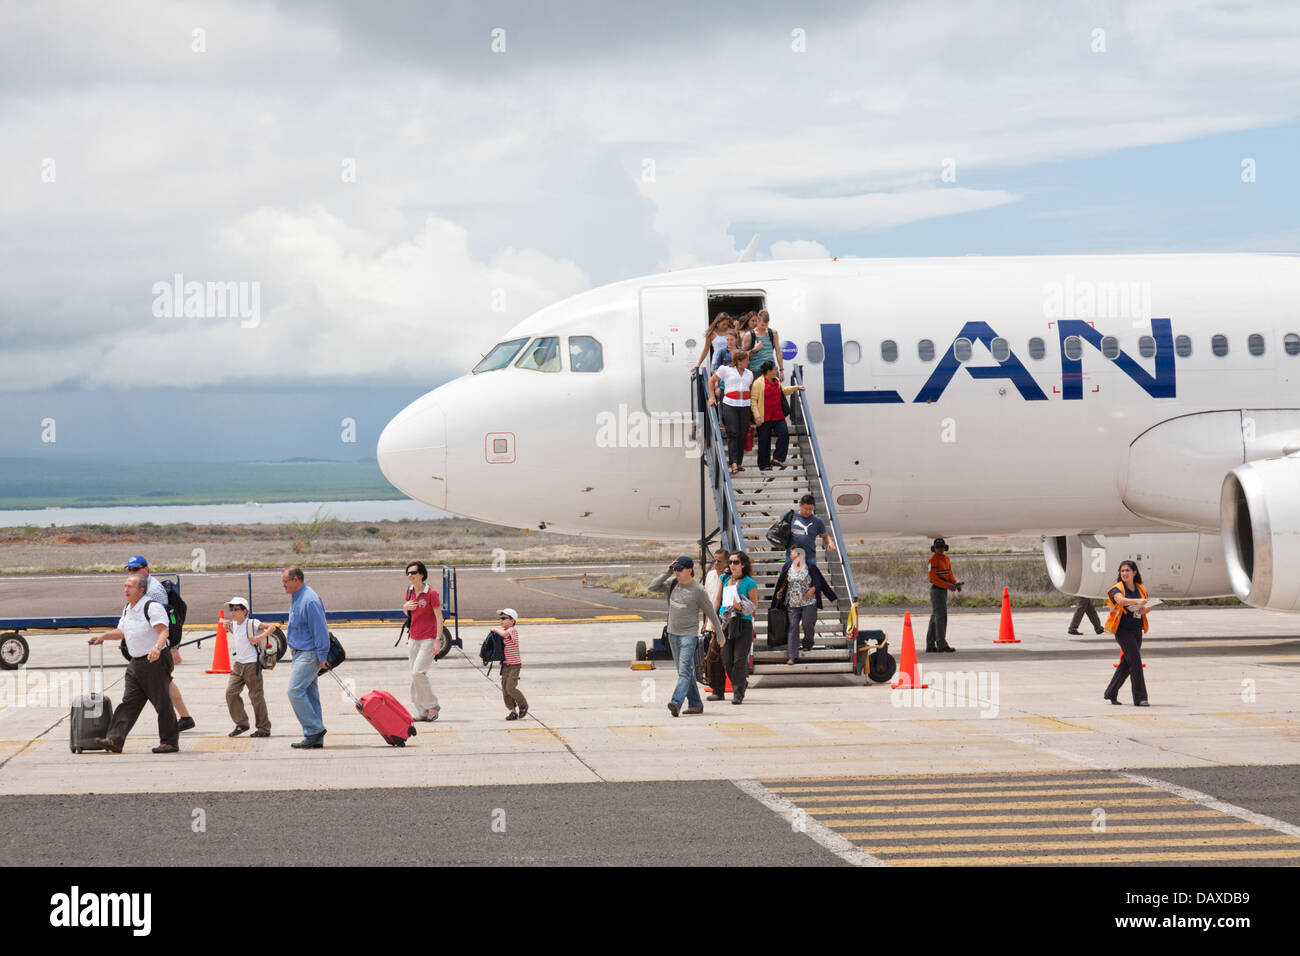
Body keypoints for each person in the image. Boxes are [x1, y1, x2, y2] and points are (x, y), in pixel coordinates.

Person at [89, 574, 179, 753]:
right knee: (129, 702)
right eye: (125, 586)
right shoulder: (128, 609)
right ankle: (114, 739)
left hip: (155, 660)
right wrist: (103, 636)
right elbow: (121, 631)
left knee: (161, 702)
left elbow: (164, 631)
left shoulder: (152, 607)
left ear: (141, 590)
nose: (125, 590)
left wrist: (157, 648)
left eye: (130, 586)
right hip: (136, 662)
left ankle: (170, 742)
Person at [649, 556, 727, 716]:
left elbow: (711, 613)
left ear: (689, 570)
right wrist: (667, 572)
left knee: (684, 670)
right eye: (675, 569)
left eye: (679, 569)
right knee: (685, 672)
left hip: (688, 637)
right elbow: (652, 587)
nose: (676, 572)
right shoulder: (672, 584)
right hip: (672, 635)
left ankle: (676, 702)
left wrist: (720, 634)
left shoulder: (698, 590)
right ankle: (696, 704)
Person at [125, 555, 195, 732]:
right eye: (130, 570)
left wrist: (170, 646)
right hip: (152, 645)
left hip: (156, 646)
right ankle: (185, 718)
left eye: (136, 569)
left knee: (160, 685)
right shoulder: (142, 588)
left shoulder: (153, 591)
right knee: (165, 682)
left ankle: (173, 725)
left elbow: (163, 622)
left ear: (146, 569)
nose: (132, 572)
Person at [283, 566, 331, 748]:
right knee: (310, 695)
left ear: (297, 580)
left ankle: (314, 729)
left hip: (310, 654)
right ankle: (315, 739)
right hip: (300, 652)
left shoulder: (309, 600)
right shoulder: (298, 597)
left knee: (294, 691)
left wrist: (322, 655)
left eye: (285, 581)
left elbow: (320, 630)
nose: (283, 585)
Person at [773, 547, 837, 664]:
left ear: (800, 555)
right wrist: (780, 591)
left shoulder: (810, 566)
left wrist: (812, 589)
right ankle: (792, 655)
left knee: (808, 623)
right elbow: (783, 580)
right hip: (792, 602)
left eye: (792, 554)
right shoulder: (788, 566)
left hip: (809, 602)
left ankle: (808, 643)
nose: (790, 555)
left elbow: (818, 581)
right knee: (793, 626)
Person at [223, 596, 274, 738]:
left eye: (236, 609)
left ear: (245, 611)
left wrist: (259, 638)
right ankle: (242, 723)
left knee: (256, 696)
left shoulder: (252, 623)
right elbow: (240, 638)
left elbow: (272, 627)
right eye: (231, 609)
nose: (232, 612)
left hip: (252, 665)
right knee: (230, 693)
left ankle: (264, 727)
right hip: (239, 665)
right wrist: (228, 627)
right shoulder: (234, 624)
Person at [1103, 560, 1150, 706]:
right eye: (1122, 571)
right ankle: (1140, 698)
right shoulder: (1117, 588)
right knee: (1135, 662)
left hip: (1137, 629)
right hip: (1122, 630)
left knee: (1125, 664)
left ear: (1134, 572)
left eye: (1127, 571)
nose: (1124, 573)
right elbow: (1121, 601)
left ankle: (1110, 692)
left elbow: (1147, 606)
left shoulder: (1140, 588)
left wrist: (1144, 609)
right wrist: (1138, 601)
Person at [715, 551, 758, 704]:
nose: (731, 565)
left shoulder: (749, 583)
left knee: (739, 659)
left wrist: (739, 606)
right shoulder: (724, 578)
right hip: (725, 623)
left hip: (742, 623)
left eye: (735, 562)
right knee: (727, 660)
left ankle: (737, 693)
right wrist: (713, 618)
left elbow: (754, 605)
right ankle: (741, 683)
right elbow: (718, 598)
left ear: (743, 565)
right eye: (730, 562)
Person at [403, 560, 443, 722]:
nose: (410, 575)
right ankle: (421, 711)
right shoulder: (410, 591)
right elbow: (409, 614)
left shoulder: (431, 593)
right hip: (413, 637)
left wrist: (437, 640)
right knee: (415, 676)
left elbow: (439, 618)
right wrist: (405, 607)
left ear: (421, 575)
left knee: (417, 673)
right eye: (408, 573)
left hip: (428, 638)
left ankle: (433, 705)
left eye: (413, 573)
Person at [750, 360, 803, 470]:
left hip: (778, 415)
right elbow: (753, 401)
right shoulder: (758, 383)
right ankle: (764, 465)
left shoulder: (776, 380)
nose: (776, 371)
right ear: (768, 371)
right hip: (765, 417)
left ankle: (777, 458)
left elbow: (783, 391)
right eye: (775, 369)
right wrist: (757, 416)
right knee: (764, 442)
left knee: (784, 435)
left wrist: (796, 387)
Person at [708, 349, 753, 474]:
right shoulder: (725, 369)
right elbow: (711, 381)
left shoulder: (749, 373)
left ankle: (739, 463)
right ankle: (733, 462)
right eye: (746, 360)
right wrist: (712, 397)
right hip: (730, 405)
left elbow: (748, 389)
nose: (748, 362)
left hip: (744, 405)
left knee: (742, 434)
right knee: (733, 432)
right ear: (739, 361)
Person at [925, 538, 961, 653]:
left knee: (935, 618)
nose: (940, 549)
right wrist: (948, 586)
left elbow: (949, 574)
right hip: (937, 591)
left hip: (943, 590)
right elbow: (933, 578)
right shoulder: (932, 560)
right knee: (941, 617)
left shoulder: (946, 559)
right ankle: (941, 644)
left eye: (942, 547)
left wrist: (955, 583)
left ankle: (930, 645)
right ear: (934, 548)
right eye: (938, 547)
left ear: (945, 548)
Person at [491, 609, 528, 720]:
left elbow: (505, 634)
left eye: (504, 618)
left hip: (514, 665)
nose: (501, 620)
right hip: (506, 665)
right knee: (504, 689)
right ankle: (512, 711)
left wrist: (495, 630)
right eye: (500, 618)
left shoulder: (512, 630)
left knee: (510, 688)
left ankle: (523, 705)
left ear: (512, 621)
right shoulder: (504, 632)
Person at [703, 549, 729, 700]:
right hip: (712, 622)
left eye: (720, 561)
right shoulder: (710, 576)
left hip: (724, 621)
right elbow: (707, 600)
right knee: (713, 657)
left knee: (726, 658)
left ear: (726, 563)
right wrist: (706, 621)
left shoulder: (729, 578)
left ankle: (737, 684)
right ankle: (717, 690)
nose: (716, 563)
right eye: (715, 560)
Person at [786, 494, 837, 566]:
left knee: (811, 577)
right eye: (806, 509)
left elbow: (825, 536)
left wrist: (830, 542)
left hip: (809, 558)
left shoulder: (817, 521)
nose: (808, 512)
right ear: (800, 505)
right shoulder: (791, 515)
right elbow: (779, 524)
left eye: (810, 509)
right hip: (792, 557)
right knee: (790, 577)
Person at [746, 311, 783, 380]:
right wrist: (754, 350)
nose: (765, 327)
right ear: (758, 321)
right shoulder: (749, 335)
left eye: (766, 325)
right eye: (762, 325)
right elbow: (742, 356)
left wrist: (781, 370)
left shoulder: (773, 333)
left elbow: (778, 352)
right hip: (756, 372)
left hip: (772, 371)